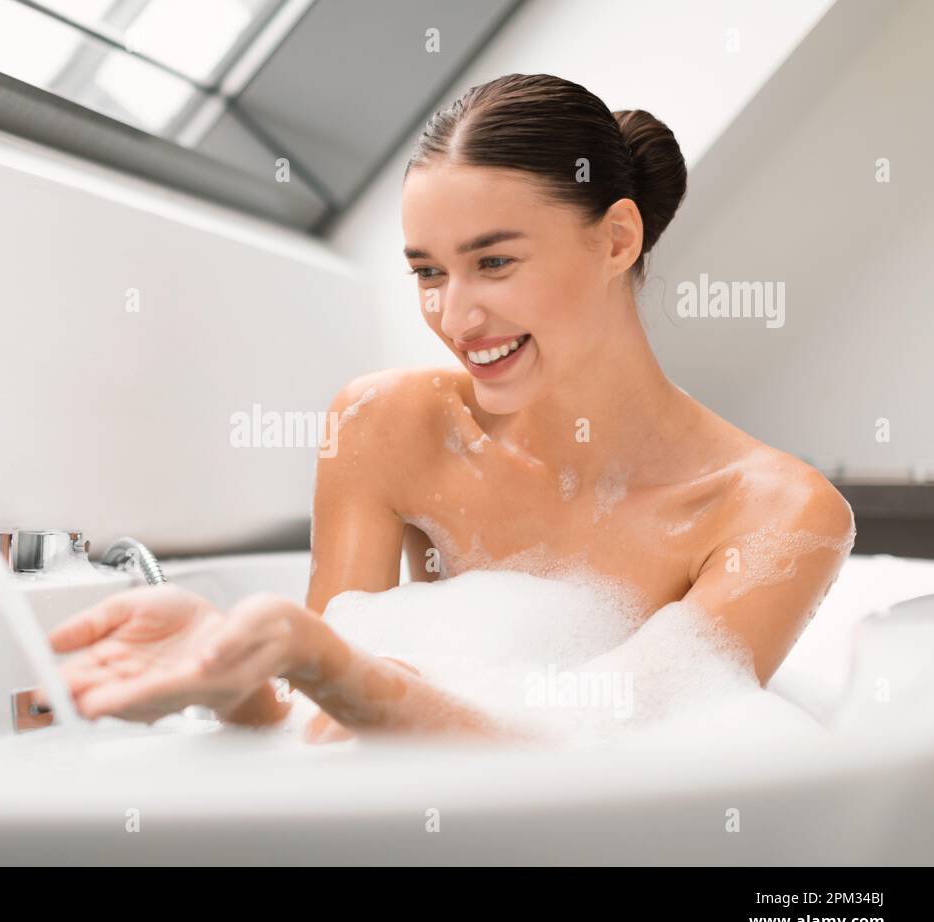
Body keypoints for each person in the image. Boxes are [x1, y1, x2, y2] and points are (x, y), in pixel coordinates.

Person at [43, 74, 855, 743]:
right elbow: (318, 733)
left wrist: (313, 656)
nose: (456, 319)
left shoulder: (777, 514)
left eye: (494, 262)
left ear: (616, 240)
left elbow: (602, 766)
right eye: (428, 273)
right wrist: (235, 679)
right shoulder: (387, 426)